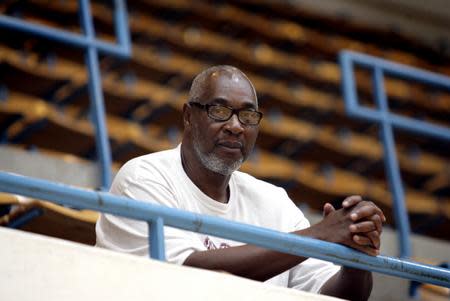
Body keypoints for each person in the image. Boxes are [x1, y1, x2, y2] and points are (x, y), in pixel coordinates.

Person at [96, 65, 385, 301]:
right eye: (219, 111)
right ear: (188, 116)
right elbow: (186, 278)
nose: (235, 126)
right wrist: (319, 237)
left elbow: (335, 296)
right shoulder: (144, 178)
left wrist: (355, 257)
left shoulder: (274, 202)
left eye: (247, 116)